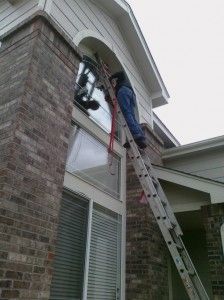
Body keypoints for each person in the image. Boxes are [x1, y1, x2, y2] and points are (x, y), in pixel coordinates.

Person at [109, 71, 147, 149]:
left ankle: (136, 135)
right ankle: (139, 137)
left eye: (113, 82)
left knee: (126, 113)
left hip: (124, 92)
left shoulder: (120, 83)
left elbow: (122, 73)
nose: (113, 84)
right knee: (131, 115)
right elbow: (116, 103)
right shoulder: (119, 87)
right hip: (130, 93)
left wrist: (111, 77)